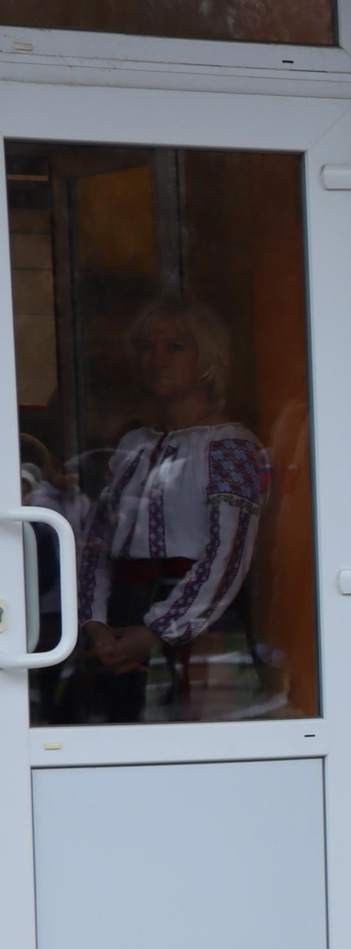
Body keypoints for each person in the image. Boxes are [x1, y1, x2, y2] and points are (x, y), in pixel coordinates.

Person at [71, 296, 269, 724]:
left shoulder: (229, 446)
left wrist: (159, 632)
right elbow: (96, 543)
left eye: (174, 347)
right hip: (121, 618)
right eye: (146, 347)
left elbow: (228, 555)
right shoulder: (132, 445)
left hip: (196, 623)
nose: (156, 359)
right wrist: (95, 623)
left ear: (206, 356)